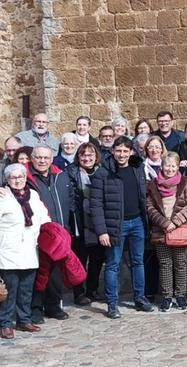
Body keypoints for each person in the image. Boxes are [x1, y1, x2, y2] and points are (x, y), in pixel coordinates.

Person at [88, 136, 154, 319]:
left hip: (138, 223)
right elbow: (96, 204)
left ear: (131, 151)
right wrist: (101, 231)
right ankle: (112, 304)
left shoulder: (137, 168)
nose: (122, 154)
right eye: (118, 151)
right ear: (113, 152)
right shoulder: (103, 173)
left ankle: (140, 298)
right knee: (112, 264)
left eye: (125, 151)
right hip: (115, 225)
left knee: (138, 262)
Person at [0, 163, 51, 339]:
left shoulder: (33, 195)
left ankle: (24, 319)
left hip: (30, 248)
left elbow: (44, 217)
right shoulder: (2, 196)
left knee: (26, 289)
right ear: (7, 179)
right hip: (8, 250)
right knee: (9, 290)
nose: (17, 180)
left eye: (20, 177)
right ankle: (5, 323)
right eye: (13, 177)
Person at [27, 145, 72, 323]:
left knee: (55, 273)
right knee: (39, 273)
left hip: (59, 232)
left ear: (51, 159)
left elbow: (71, 199)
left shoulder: (60, 176)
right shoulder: (28, 178)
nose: (42, 161)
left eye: (46, 158)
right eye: (38, 157)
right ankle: (35, 309)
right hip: (38, 233)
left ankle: (53, 306)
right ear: (32, 158)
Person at [145, 152, 187, 312]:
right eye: (167, 165)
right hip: (161, 230)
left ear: (178, 166)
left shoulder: (185, 183)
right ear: (162, 166)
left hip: (180, 229)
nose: (170, 169)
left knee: (180, 264)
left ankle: (180, 295)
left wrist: (175, 222)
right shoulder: (153, 185)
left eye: (173, 165)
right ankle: (167, 296)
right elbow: (150, 207)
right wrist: (165, 223)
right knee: (165, 264)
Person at [67, 142, 105, 306]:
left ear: (96, 156)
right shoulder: (71, 173)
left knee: (97, 260)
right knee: (80, 260)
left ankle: (92, 290)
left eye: (90, 155)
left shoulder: (103, 172)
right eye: (83, 155)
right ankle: (79, 292)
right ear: (78, 157)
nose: (87, 158)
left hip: (98, 223)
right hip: (80, 222)